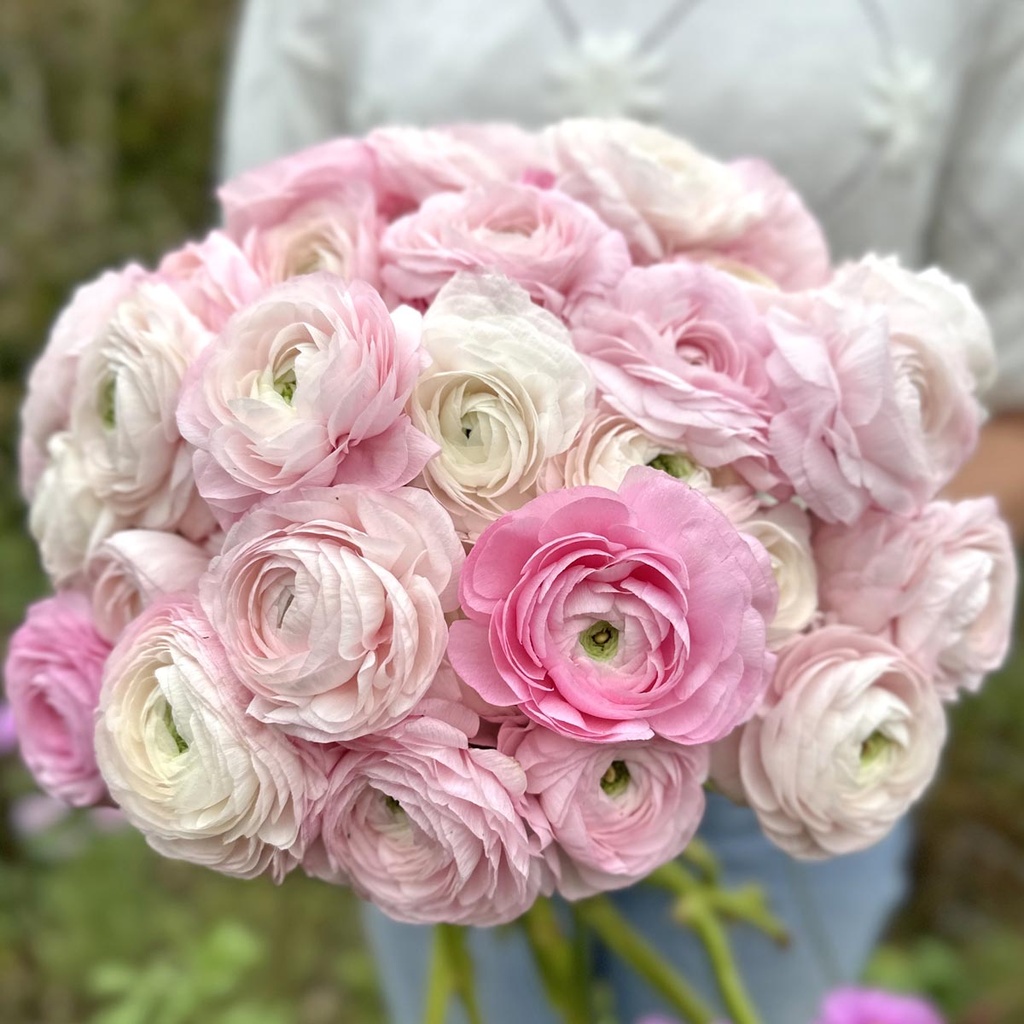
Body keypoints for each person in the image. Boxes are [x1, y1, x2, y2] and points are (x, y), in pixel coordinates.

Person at [218, 2, 1024, 1021]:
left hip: (794, 720)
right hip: (412, 755)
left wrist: (777, 574)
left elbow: (1009, 404)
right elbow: (247, 303)